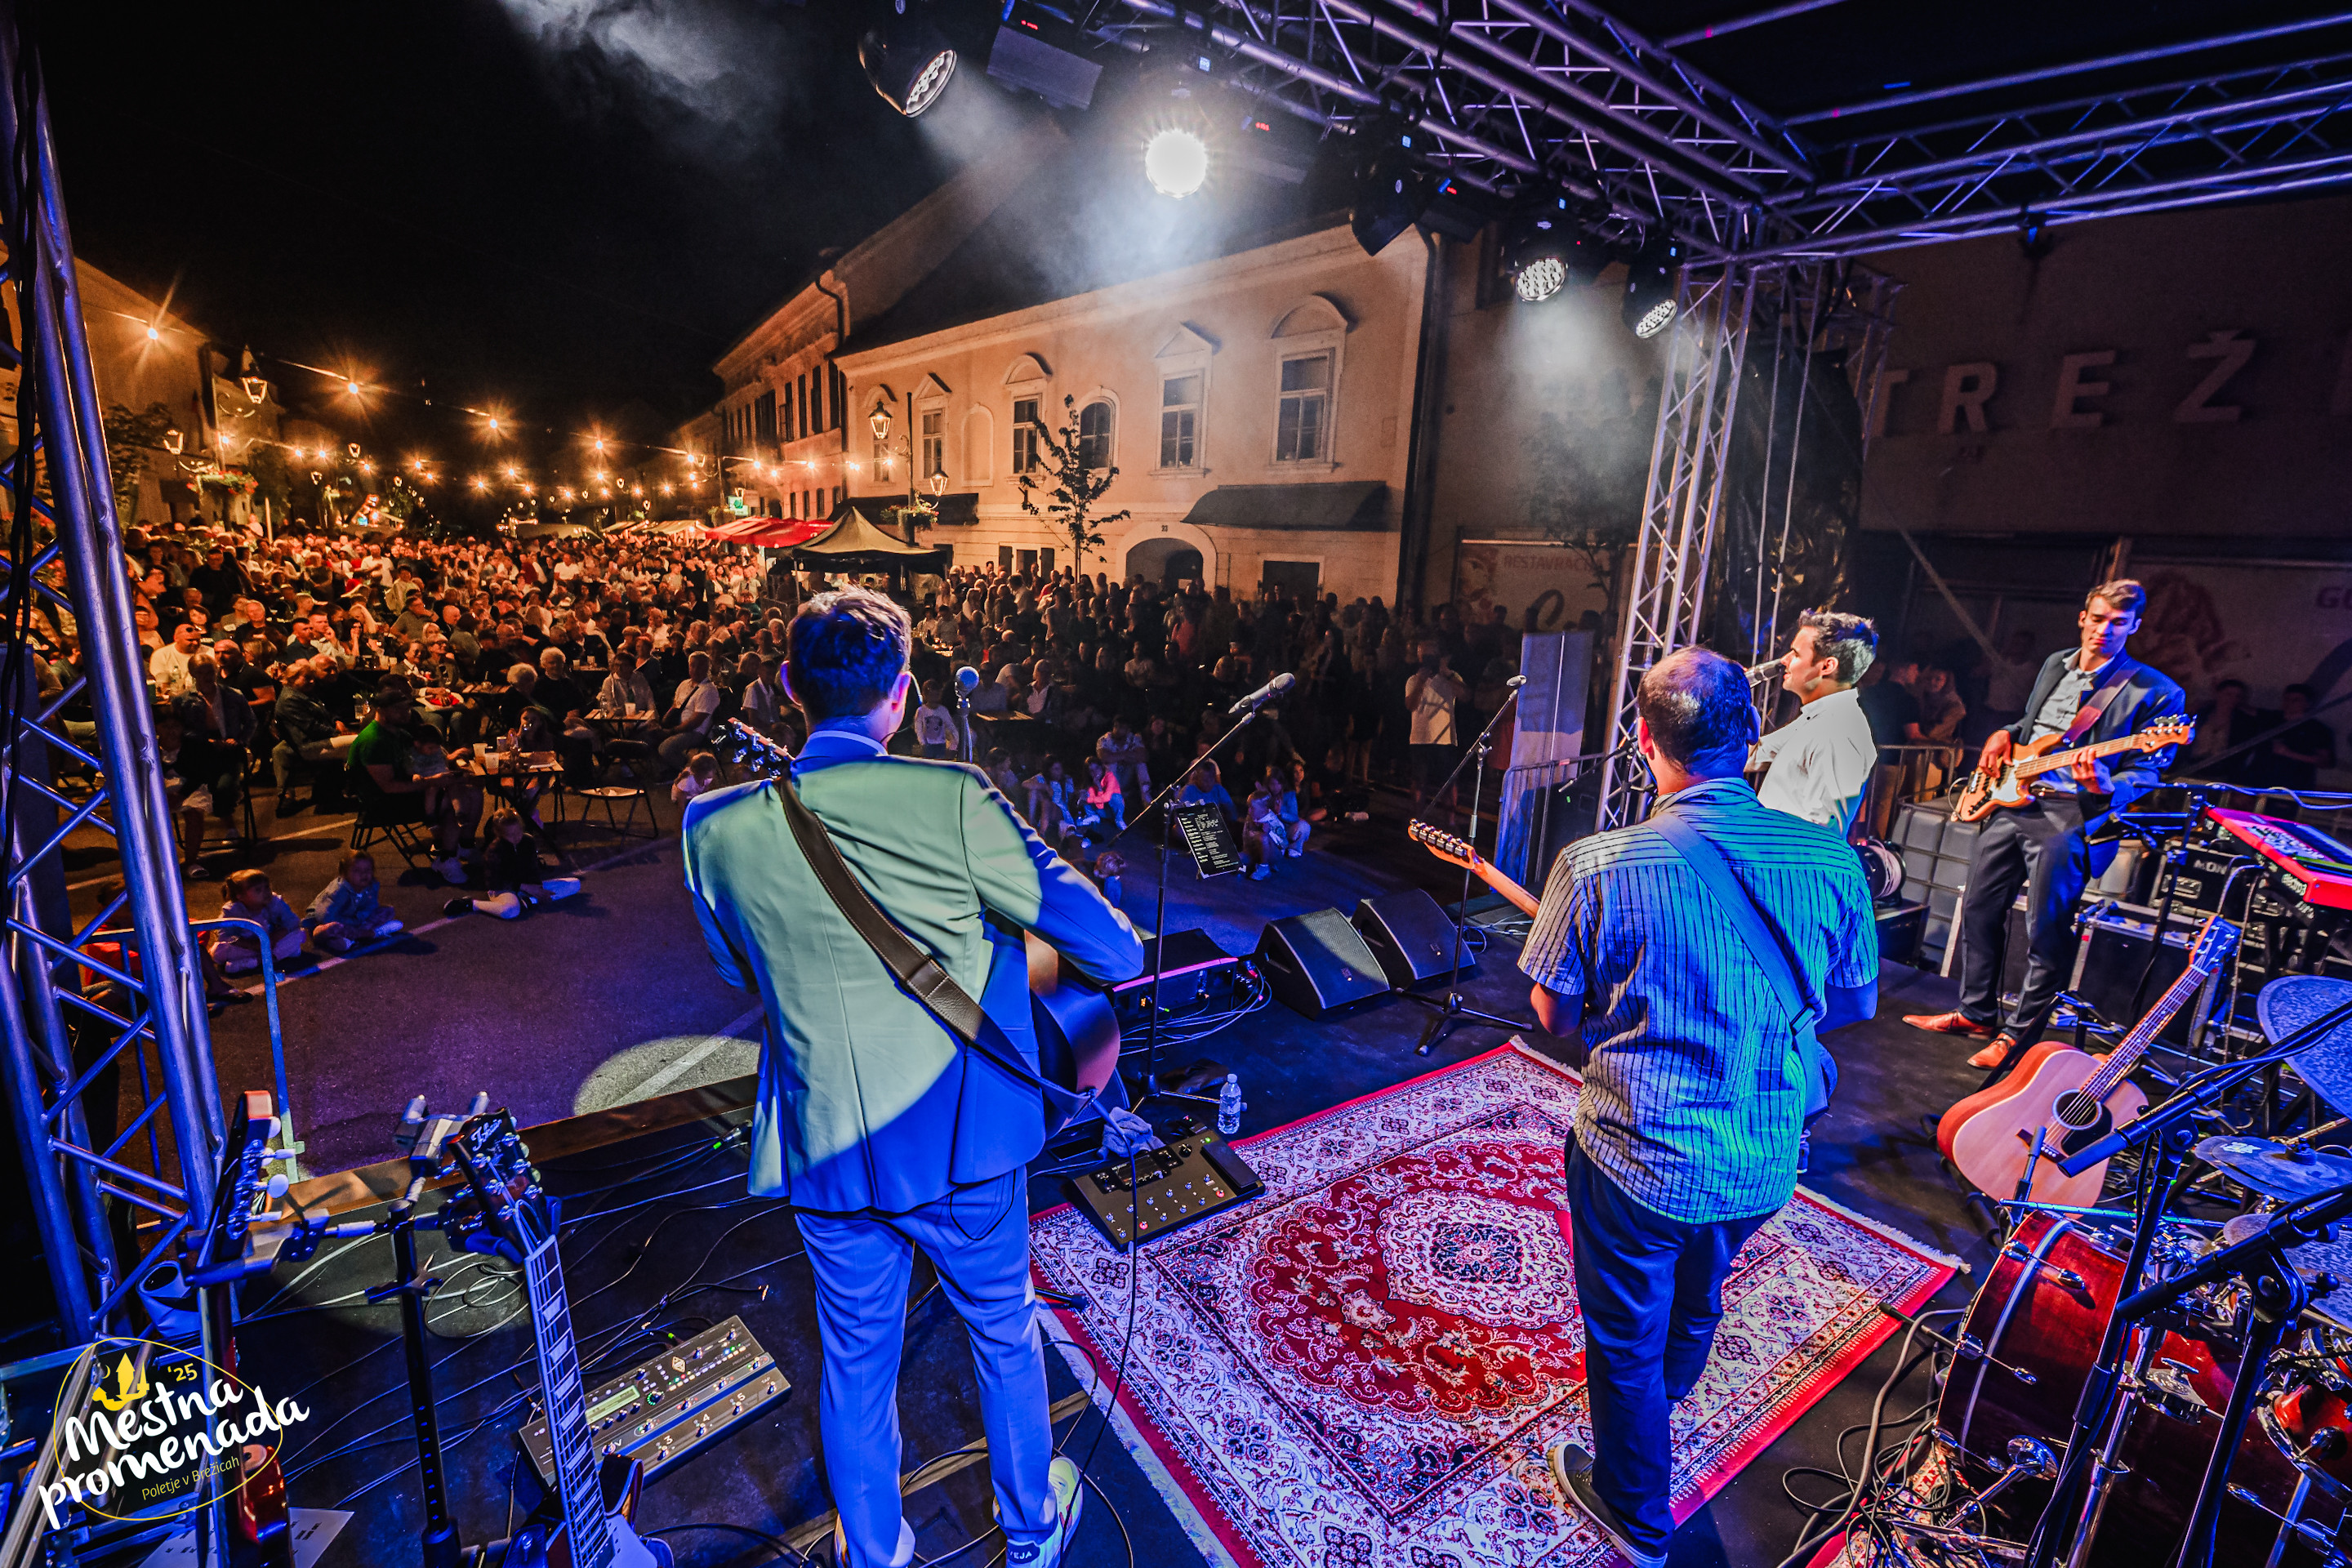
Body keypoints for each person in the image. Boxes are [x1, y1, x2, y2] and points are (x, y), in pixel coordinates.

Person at [681, 586, 1142, 1568]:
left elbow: (740, 971)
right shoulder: (955, 799)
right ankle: (1031, 1533)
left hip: (828, 1148)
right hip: (962, 1142)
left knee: (855, 1363)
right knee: (1003, 1335)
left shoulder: (713, 827)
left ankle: (877, 1553)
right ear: (900, 694)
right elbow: (1114, 949)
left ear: (789, 687)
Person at [1521, 648, 1878, 1568]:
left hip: (1637, 1155)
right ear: (1753, 737)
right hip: (1764, 1152)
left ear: (1644, 741)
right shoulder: (1830, 857)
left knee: (1623, 1335)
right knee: (1703, 1281)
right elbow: (1854, 1001)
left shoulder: (1596, 861)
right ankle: (1669, 1398)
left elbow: (1555, 1015)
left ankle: (1636, 1514)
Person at [1904, 581, 2187, 1067]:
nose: (2105, 630)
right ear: (2083, 618)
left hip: (2070, 813)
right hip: (2012, 800)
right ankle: (1975, 1013)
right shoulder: (2056, 663)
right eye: (2098, 619)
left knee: (2046, 929)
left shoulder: (2156, 691)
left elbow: (2147, 771)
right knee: (1979, 909)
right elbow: (2032, 726)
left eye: (2119, 623)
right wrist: (2003, 732)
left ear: (2135, 626)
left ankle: (2019, 1037)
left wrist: (2107, 786)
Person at [1749, 609, 1879, 838]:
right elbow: (1751, 755)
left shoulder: (1841, 731)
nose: (1784, 661)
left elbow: (1821, 834)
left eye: (1795, 654)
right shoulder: (1818, 719)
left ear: (1827, 666)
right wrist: (1731, 701)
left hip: (1782, 859)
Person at [347, 686, 471, 884]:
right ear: (382, 710)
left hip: (402, 791)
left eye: (407, 708)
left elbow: (427, 757)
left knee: (466, 788)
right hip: (382, 803)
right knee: (450, 803)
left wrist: (449, 767)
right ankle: (447, 859)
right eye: (400, 709)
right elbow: (388, 787)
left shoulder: (397, 733)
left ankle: (453, 847)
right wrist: (433, 781)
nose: (407, 713)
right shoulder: (374, 741)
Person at [448, 808, 581, 920]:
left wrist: (538, 888)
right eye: (510, 835)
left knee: (575, 884)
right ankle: (472, 904)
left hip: (526, 886)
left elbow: (533, 868)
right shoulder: (494, 850)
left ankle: (528, 901)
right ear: (499, 834)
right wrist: (525, 887)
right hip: (503, 888)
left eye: (518, 832)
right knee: (510, 911)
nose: (516, 837)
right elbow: (494, 882)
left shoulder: (528, 841)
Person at [1405, 645, 1468, 821]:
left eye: (1430, 657)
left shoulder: (1451, 677)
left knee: (1449, 782)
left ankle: (1450, 821)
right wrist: (1421, 681)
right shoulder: (1413, 680)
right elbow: (1410, 705)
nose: (1427, 661)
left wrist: (1446, 673)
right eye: (1423, 657)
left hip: (1445, 740)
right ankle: (1418, 819)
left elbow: (1465, 696)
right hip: (1419, 738)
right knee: (1419, 782)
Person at [209, 869, 307, 976]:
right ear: (240, 896)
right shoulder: (232, 910)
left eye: (267, 887)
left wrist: (275, 937)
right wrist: (252, 945)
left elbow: (293, 921)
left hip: (272, 942)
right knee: (218, 951)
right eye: (258, 890)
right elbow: (224, 935)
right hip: (249, 946)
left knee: (299, 934)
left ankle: (255, 961)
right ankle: (271, 957)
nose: (266, 892)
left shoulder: (275, 901)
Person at [305, 853, 407, 954]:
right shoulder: (339, 891)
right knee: (333, 929)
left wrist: (360, 919)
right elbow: (326, 917)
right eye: (357, 871)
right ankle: (372, 933)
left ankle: (356, 937)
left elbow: (372, 906)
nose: (363, 874)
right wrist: (353, 923)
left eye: (367, 870)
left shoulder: (372, 885)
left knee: (388, 911)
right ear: (345, 874)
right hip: (326, 921)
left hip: (354, 920)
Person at [2248, 683, 2337, 791]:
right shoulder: (2271, 718)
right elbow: (2246, 710)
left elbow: (2326, 762)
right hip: (2258, 781)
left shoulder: (2318, 729)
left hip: (2294, 786)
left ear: (2308, 703)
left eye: (2296, 700)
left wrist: (2289, 753)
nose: (2289, 703)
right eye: (2287, 699)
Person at [914, 679, 958, 759]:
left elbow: (951, 726)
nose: (933, 697)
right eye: (931, 694)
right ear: (925, 695)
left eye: (936, 694)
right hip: (928, 745)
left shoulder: (943, 710)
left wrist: (954, 743)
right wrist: (923, 743)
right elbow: (918, 728)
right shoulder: (921, 711)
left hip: (941, 745)